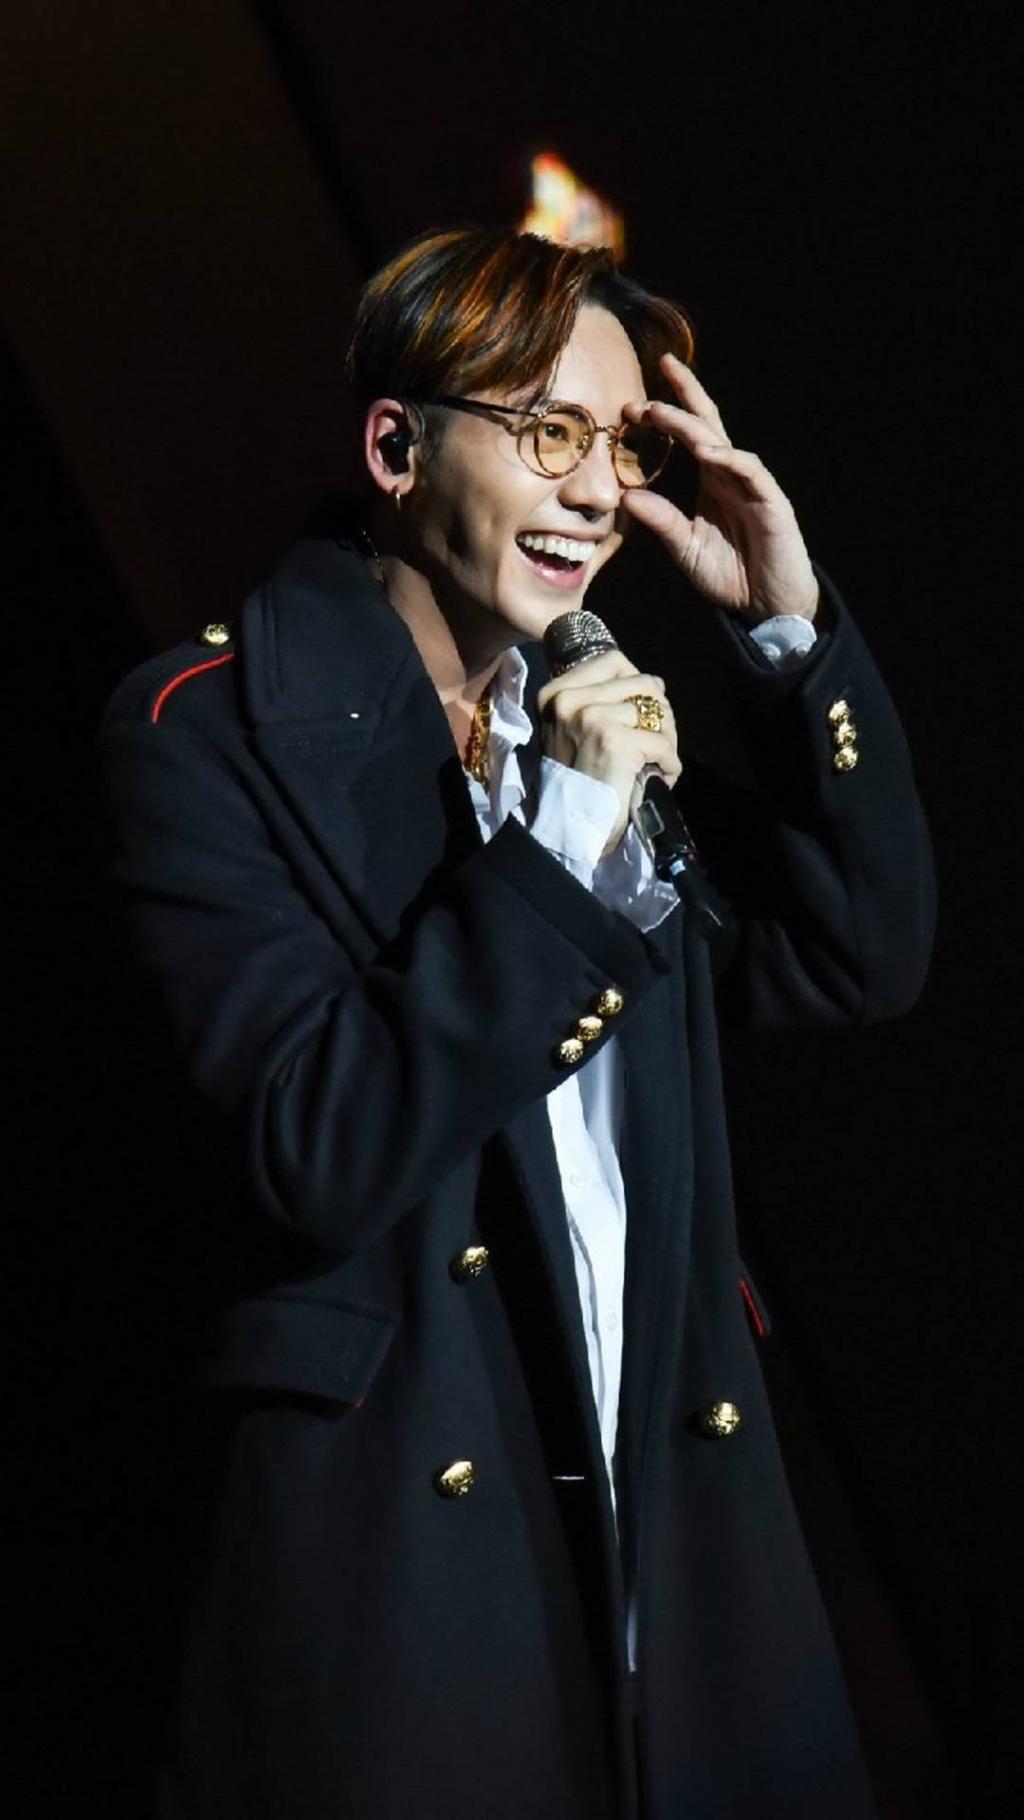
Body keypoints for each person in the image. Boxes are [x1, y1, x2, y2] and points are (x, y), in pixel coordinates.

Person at [102, 225, 935, 1820]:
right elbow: (316, 1146)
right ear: (396, 448)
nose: (597, 491)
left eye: (622, 447)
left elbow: (858, 950)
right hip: (411, 1561)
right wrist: (557, 848)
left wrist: (789, 633)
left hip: (674, 1526)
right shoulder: (203, 734)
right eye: (550, 432)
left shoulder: (592, 725)